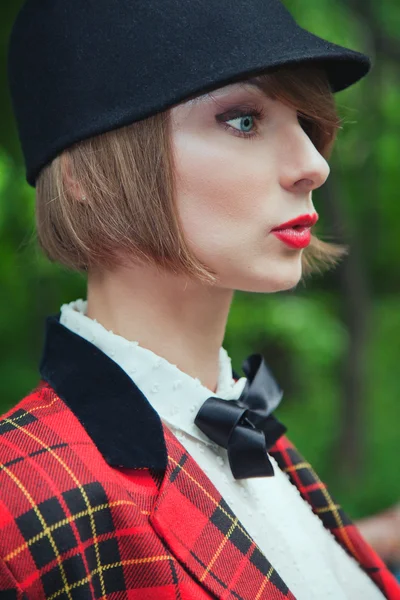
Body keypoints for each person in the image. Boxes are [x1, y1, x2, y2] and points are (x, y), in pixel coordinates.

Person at [1, 0, 399, 598]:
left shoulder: (252, 437)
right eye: (242, 120)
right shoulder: (18, 494)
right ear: (86, 171)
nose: (313, 164)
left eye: (306, 123)